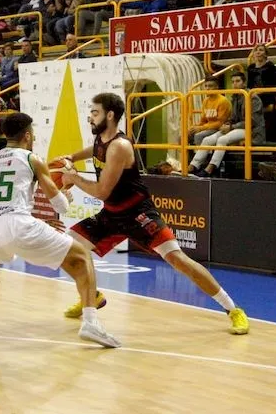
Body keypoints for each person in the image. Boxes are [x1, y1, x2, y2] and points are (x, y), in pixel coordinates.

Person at [53, 93, 250, 335]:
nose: (90, 118)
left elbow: (102, 191)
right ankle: (92, 296)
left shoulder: (120, 146)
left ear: (110, 115)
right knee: (65, 250)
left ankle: (234, 310)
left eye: (95, 113)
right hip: (112, 214)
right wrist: (72, 157)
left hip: (138, 214)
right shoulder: (101, 138)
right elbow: (93, 150)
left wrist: (74, 178)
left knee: (179, 261)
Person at [0, 112, 120, 348]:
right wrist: (68, 188)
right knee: (82, 255)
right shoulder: (32, 158)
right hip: (16, 224)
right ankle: (91, 323)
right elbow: (60, 205)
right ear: (28, 136)